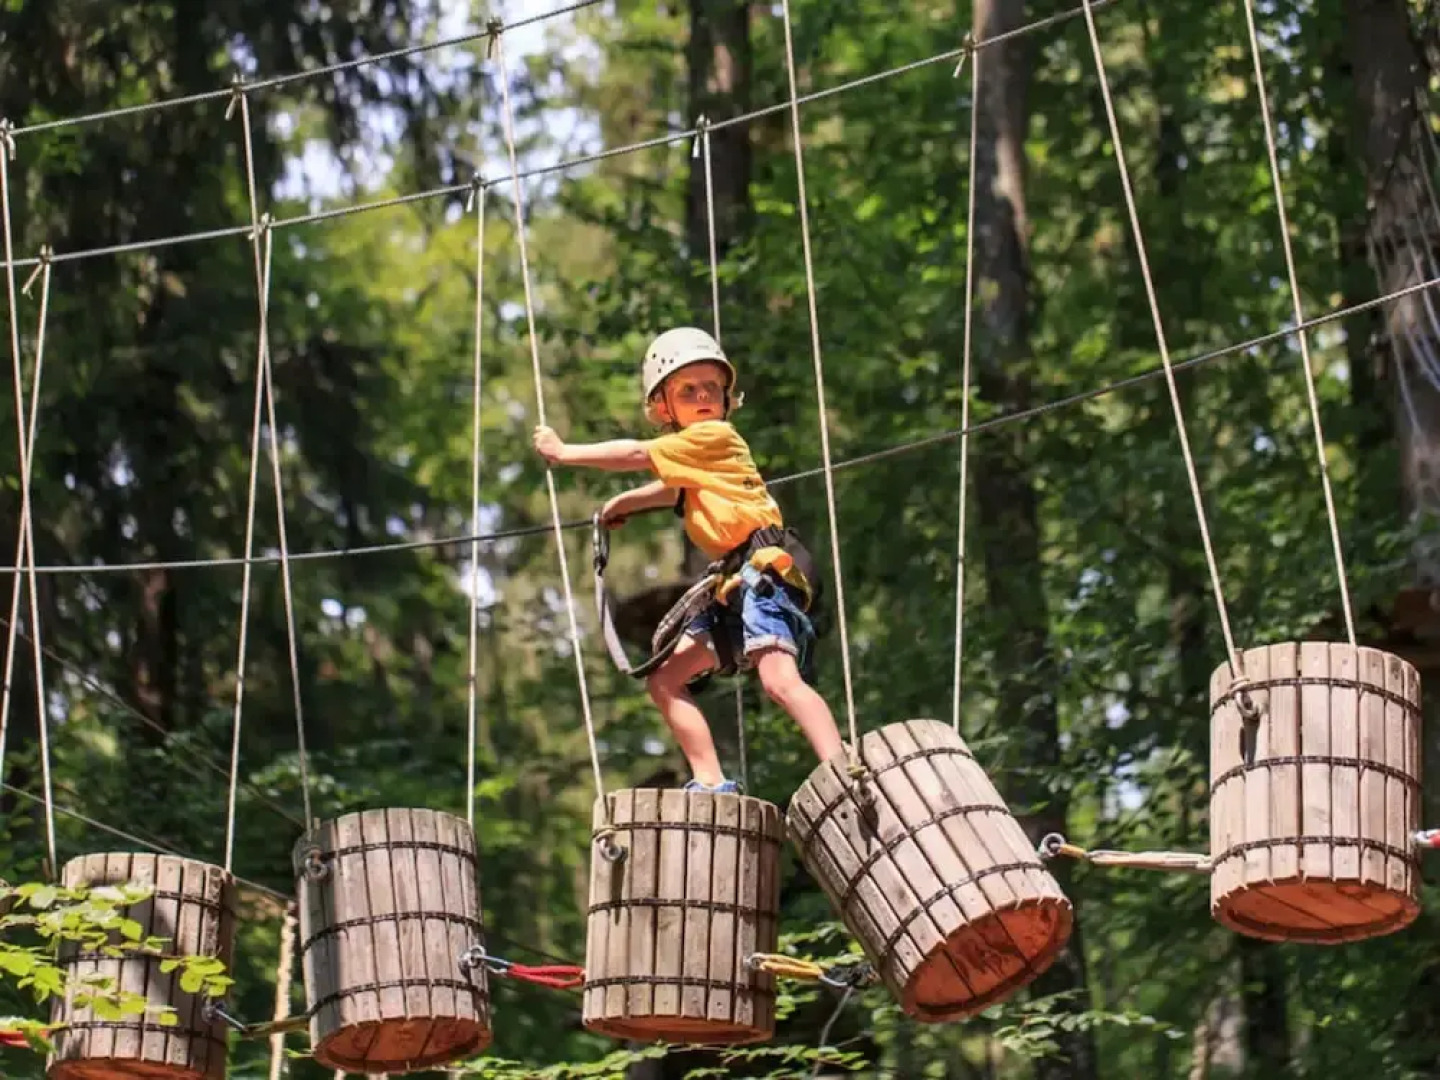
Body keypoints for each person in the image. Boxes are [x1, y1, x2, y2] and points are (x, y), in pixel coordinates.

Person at [531, 327, 845, 792]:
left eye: (711, 389)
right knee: (665, 680)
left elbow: (637, 453)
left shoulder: (715, 435)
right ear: (663, 407)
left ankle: (842, 767)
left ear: (725, 400)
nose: (702, 397)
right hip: (735, 586)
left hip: (765, 573)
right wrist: (623, 504)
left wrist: (564, 452)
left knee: (779, 679)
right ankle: (711, 781)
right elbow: (672, 490)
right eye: (687, 390)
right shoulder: (696, 460)